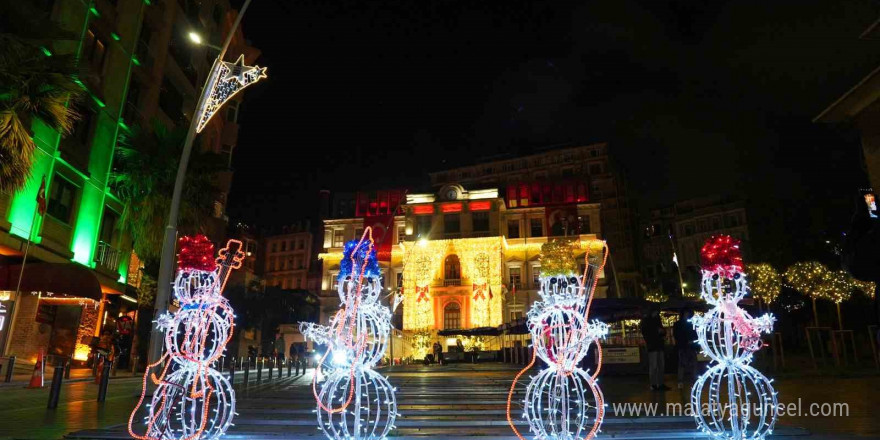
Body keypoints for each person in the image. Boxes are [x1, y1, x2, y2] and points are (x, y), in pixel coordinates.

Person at [640, 309, 668, 391]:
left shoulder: (655, 320)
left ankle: (659, 383)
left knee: (660, 365)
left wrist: (662, 332)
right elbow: (646, 333)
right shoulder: (647, 321)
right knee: (654, 366)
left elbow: (662, 331)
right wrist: (658, 331)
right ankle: (654, 384)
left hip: (658, 345)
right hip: (653, 345)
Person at [673, 309, 699, 389]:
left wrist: (695, 345)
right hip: (684, 346)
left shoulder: (688, 324)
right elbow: (677, 335)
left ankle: (691, 380)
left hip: (689, 346)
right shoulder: (680, 324)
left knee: (691, 364)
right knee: (682, 364)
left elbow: (695, 335)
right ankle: (681, 381)